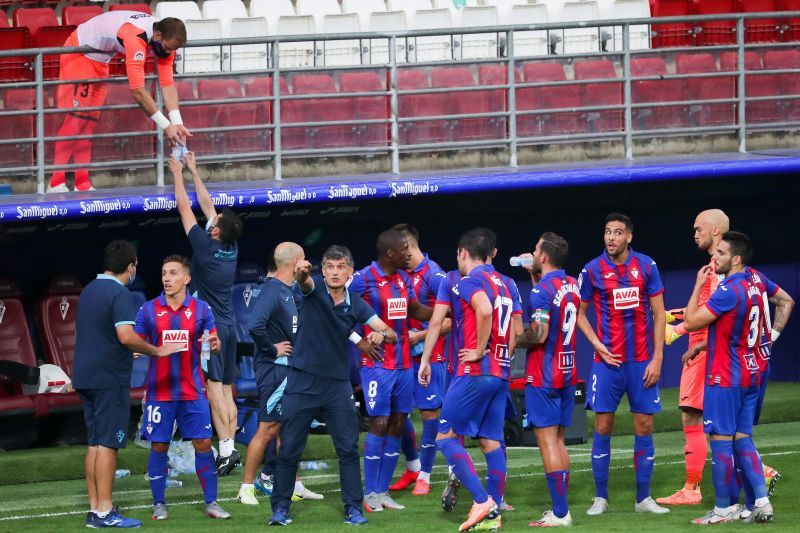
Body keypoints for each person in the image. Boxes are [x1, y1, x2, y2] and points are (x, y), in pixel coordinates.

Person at [268, 245, 397, 526]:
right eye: (329, 266)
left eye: (341, 267)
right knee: (289, 448)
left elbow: (390, 332)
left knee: (348, 450)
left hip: (338, 386)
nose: (335, 272)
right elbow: (305, 283)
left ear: (351, 271)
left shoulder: (356, 302)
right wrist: (302, 274)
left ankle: (353, 508)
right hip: (302, 382)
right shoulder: (311, 292)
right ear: (322, 270)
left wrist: (379, 335)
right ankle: (280, 508)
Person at [72, 240, 181, 528]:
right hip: (109, 379)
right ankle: (106, 512)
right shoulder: (119, 293)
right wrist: (155, 349)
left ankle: (96, 509)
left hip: (86, 376)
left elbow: (102, 335)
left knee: (95, 443)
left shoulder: (88, 290)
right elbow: (125, 335)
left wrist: (127, 347)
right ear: (131, 266)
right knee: (108, 444)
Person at [419, 227, 516, 532]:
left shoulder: (468, 280)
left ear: (462, 252)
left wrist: (477, 350)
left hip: (474, 372)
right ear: (492, 253)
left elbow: (482, 311)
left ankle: (481, 500)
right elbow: (515, 331)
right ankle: (493, 514)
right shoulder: (508, 282)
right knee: (491, 443)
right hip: (500, 372)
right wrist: (499, 357)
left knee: (445, 436)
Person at [577, 213, 669, 516]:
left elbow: (659, 313)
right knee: (602, 426)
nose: (611, 238)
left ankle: (643, 499)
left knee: (644, 425)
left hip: (641, 362)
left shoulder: (646, 266)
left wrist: (657, 358)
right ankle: (600, 498)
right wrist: (596, 344)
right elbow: (579, 313)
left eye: (617, 233)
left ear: (629, 237)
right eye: (607, 232)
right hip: (607, 364)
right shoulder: (592, 270)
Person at [683, 232, 774, 524]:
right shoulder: (756, 280)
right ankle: (761, 502)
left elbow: (690, 320)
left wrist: (698, 285)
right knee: (743, 440)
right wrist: (772, 337)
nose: (715, 257)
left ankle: (723, 510)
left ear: (736, 259)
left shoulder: (728, 290)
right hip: (751, 372)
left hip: (725, 376)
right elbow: (784, 301)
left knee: (721, 443)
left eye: (721, 253)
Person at [48, 12, 190, 192]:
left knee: (89, 125)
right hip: (79, 53)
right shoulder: (135, 37)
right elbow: (138, 91)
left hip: (100, 60)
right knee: (76, 121)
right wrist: (166, 126)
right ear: (158, 35)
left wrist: (177, 123)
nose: (168, 52)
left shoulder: (165, 36)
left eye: (172, 50)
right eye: (168, 48)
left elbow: (168, 85)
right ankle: (55, 183)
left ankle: (82, 183)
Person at [134, 255, 230, 520]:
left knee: (202, 443)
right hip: (159, 393)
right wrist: (141, 350)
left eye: (173, 273)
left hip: (193, 391)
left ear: (186, 279)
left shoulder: (202, 309)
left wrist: (214, 343)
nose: (167, 278)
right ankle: (159, 504)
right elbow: (136, 341)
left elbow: (213, 341)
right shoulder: (148, 309)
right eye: (164, 273)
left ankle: (211, 503)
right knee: (159, 447)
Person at [349, 229, 433, 512]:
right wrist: (359, 342)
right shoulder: (362, 279)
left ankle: (382, 491)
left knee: (398, 422)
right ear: (389, 253)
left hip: (404, 364)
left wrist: (446, 310)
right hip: (377, 366)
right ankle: (370, 493)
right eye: (404, 249)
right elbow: (339, 313)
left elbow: (416, 310)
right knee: (379, 423)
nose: (409, 253)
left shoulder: (403, 279)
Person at [171, 154, 243, 476]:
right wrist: (194, 170)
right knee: (227, 388)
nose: (211, 219)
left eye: (214, 222)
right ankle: (230, 448)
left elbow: (187, 208)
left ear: (214, 232)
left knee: (214, 388)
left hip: (211, 330)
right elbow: (207, 205)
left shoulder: (204, 246)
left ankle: (226, 451)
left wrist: (176, 173)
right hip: (230, 327)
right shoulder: (231, 247)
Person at [237, 243, 322, 505]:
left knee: (289, 430)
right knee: (267, 428)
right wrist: (272, 349)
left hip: (291, 369)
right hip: (274, 369)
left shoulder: (288, 290)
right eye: (304, 260)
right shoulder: (273, 290)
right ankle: (246, 488)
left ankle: (293, 484)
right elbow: (254, 325)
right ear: (296, 261)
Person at [657, 209, 728, 506]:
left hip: (703, 351)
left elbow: (715, 313)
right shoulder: (717, 266)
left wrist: (679, 331)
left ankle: (692, 488)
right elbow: (704, 308)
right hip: (705, 348)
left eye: (699, 229)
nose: (695, 234)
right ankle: (755, 471)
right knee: (712, 420)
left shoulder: (717, 267)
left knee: (695, 417)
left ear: (715, 231)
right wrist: (674, 317)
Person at [515, 233, 579, 527]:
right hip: (568, 370)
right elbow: (550, 308)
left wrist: (515, 339)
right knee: (560, 440)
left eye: (536, 249)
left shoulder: (541, 292)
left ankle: (561, 513)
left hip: (544, 374)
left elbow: (539, 333)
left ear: (543, 257)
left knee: (547, 442)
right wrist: (534, 279)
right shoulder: (571, 284)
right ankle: (561, 508)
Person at [389, 223, 448, 497]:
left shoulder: (435, 275)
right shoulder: (398, 275)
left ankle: (425, 474)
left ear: (407, 247)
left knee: (428, 414)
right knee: (397, 412)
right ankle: (413, 466)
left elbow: (451, 320)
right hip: (401, 356)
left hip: (431, 356)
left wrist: (419, 336)